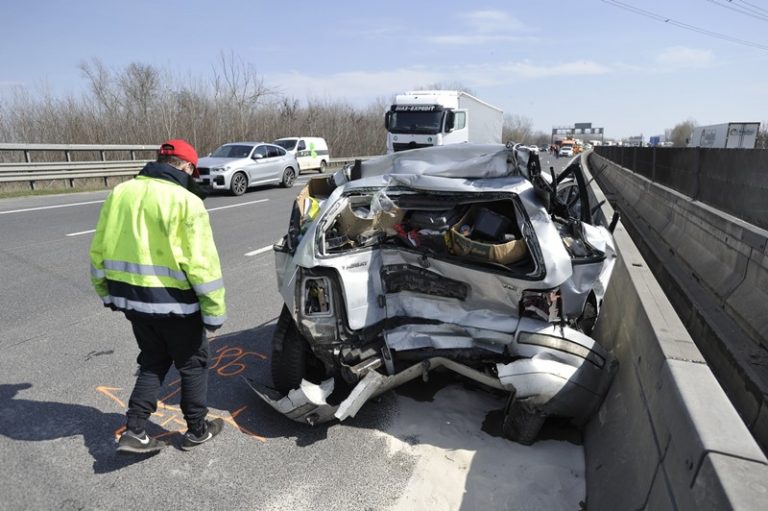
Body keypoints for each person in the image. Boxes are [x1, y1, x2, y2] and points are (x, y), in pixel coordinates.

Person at [89, 139, 227, 454]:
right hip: (176, 305)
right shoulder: (186, 201)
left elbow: (99, 249)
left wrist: (105, 292)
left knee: (153, 359)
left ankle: (135, 430)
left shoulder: (121, 192)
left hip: (132, 302)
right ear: (189, 167)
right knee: (192, 363)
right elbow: (202, 265)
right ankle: (196, 430)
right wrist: (214, 313)